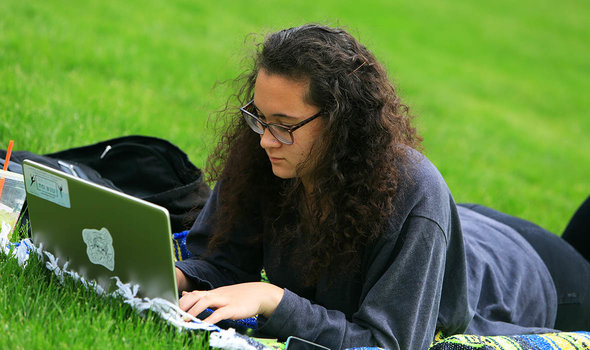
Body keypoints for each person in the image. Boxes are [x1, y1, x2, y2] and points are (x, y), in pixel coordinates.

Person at [174, 24, 590, 350]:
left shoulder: (413, 192)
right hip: (466, 226)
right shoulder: (269, 150)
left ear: (340, 122)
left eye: (284, 125)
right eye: (259, 117)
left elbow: (388, 343)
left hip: (538, 272)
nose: (265, 138)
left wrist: (274, 300)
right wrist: (177, 276)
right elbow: (223, 265)